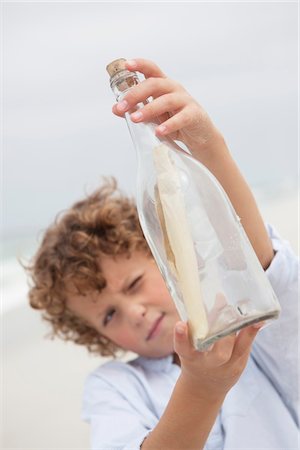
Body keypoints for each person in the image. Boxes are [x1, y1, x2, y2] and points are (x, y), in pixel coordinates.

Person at [27, 58, 299, 449]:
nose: (133, 312)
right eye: (108, 315)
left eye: (135, 283)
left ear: (168, 252)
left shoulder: (243, 323)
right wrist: (203, 387)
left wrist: (209, 145)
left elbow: (263, 268)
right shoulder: (117, 387)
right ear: (96, 335)